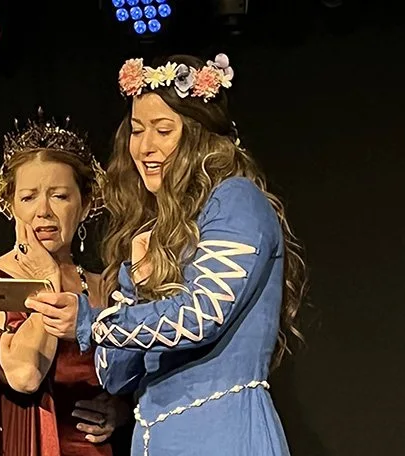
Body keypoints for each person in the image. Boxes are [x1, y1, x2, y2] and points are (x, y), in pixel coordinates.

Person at [26, 54, 309, 455]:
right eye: (137, 130)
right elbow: (116, 375)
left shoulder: (236, 199)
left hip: (223, 432)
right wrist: (139, 283)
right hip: (153, 442)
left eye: (163, 130)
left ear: (197, 137)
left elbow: (202, 315)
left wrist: (92, 321)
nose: (145, 147)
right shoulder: (153, 234)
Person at [0, 110, 133, 456]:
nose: (44, 211)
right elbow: (24, 375)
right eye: (28, 197)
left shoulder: (109, 286)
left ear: (84, 206)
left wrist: (123, 411)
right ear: (10, 206)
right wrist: (48, 279)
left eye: (59, 196)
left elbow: (140, 379)